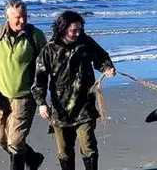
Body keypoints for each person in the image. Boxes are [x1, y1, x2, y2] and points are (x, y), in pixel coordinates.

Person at [32, 10, 116, 170]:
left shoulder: (86, 43)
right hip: (60, 109)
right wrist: (41, 103)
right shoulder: (50, 49)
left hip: (85, 106)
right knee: (64, 151)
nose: (78, 33)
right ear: (63, 29)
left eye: (80, 29)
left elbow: (102, 57)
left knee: (88, 146)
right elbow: (39, 78)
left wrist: (107, 68)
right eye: (73, 30)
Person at [0, 0, 47, 170]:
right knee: (1, 140)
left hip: (25, 98)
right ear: (7, 17)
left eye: (25, 16)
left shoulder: (35, 35)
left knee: (15, 142)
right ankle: (32, 158)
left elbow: (46, 66)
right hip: (0, 97)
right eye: (18, 17)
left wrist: (43, 99)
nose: (22, 20)